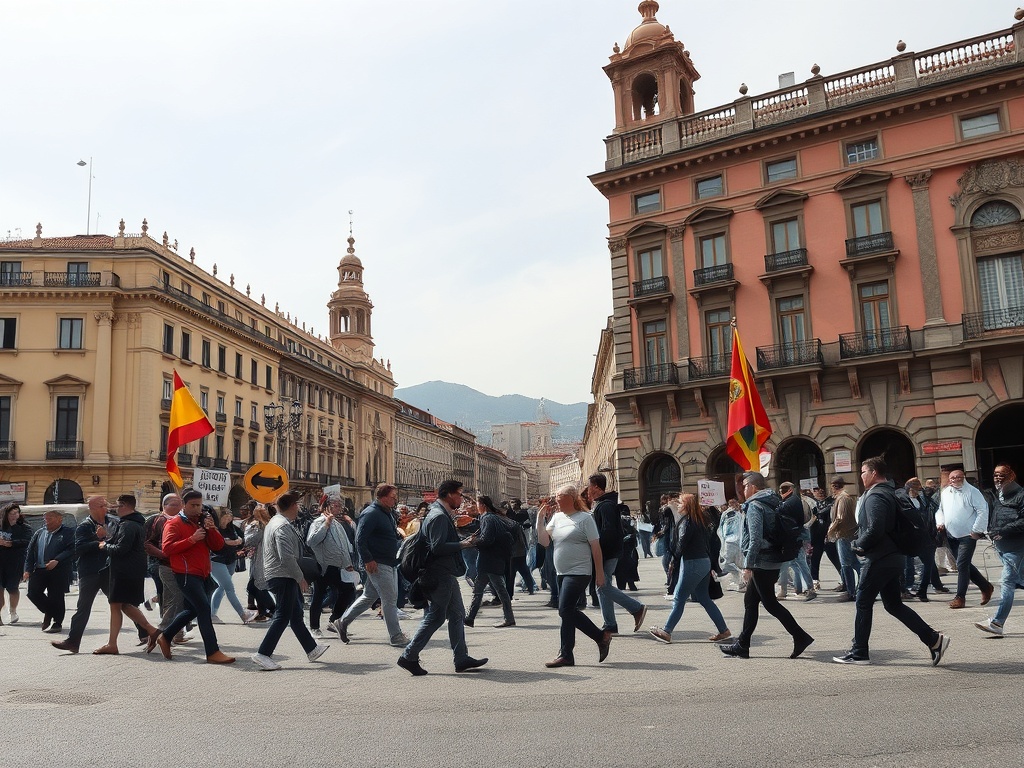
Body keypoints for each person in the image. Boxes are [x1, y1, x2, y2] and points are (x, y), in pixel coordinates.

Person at [833, 457, 950, 666]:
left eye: (863, 471)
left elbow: (876, 528)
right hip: (893, 557)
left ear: (874, 473)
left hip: (880, 557)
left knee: (862, 602)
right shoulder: (890, 492)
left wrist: (857, 544)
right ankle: (933, 639)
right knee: (893, 605)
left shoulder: (876, 495)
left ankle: (859, 652)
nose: (861, 476)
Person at [719, 472, 813, 660]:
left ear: (753, 487)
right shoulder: (772, 500)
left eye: (744, 486)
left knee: (770, 604)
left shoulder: (755, 505)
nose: (742, 489)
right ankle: (742, 646)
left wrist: (748, 566)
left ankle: (800, 636)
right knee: (751, 602)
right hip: (772, 558)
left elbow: (755, 539)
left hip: (762, 561)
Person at [398, 480, 487, 676]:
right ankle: (409, 656)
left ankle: (461, 658)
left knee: (456, 614)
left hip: (444, 572)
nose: (461, 499)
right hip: (438, 573)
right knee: (436, 617)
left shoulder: (440, 514)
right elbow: (437, 547)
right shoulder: (438, 516)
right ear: (448, 495)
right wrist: (463, 544)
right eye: (459, 494)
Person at [148, 490, 234, 664]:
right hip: (185, 573)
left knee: (192, 610)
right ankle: (212, 651)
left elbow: (218, 546)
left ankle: (165, 636)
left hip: (202, 573)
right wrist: (192, 539)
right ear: (184, 505)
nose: (197, 509)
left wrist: (211, 529)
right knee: (203, 609)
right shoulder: (174, 523)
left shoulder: (202, 522)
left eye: (199, 505)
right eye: (193, 505)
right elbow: (167, 549)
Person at [251, 492, 329, 670]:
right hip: (283, 574)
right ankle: (263, 653)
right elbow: (286, 556)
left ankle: (312, 649)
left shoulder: (278, 522)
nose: (300, 509)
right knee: (283, 616)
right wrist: (299, 577)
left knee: (295, 615)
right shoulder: (282, 526)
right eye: (298, 505)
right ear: (293, 506)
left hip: (281, 574)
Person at [535, 484, 609, 668]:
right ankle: (567, 654)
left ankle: (599, 637)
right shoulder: (558, 517)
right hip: (561, 572)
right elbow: (544, 541)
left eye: (559, 496)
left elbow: (596, 547)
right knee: (567, 613)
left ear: (570, 497)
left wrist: (600, 573)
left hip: (580, 571)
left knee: (565, 610)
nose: (556, 499)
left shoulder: (585, 518)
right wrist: (540, 519)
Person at [649, 493, 731, 644]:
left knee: (679, 598)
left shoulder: (688, 522)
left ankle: (667, 631)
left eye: (680, 503)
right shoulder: (700, 520)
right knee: (704, 598)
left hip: (692, 563)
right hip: (703, 562)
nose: (678, 505)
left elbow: (682, 543)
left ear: (686, 506)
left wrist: (673, 560)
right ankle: (723, 630)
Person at [335, 484, 407, 647]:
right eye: (392, 496)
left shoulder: (386, 513)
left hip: (388, 561)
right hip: (377, 563)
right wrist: (368, 559)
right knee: (389, 599)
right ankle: (395, 636)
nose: (395, 499)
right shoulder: (371, 513)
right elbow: (360, 539)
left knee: (369, 596)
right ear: (382, 497)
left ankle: (343, 622)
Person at [93, 494, 160, 654]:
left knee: (117, 605)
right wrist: (109, 539)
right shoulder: (136, 522)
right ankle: (147, 632)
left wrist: (104, 545)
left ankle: (150, 631)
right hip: (131, 570)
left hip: (124, 571)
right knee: (121, 605)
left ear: (124, 506)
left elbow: (121, 549)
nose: (114, 510)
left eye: (116, 506)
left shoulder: (128, 524)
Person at [51, 496, 117, 652]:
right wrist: (98, 540)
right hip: (90, 572)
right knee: (83, 608)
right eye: (102, 505)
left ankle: (146, 633)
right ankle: (73, 642)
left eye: (106, 505)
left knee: (123, 603)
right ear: (92, 508)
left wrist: (107, 538)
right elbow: (78, 548)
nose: (105, 508)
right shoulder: (84, 526)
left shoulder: (113, 522)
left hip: (108, 570)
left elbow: (119, 541)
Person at [588, 473, 647, 635]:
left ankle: (636, 608)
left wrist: (599, 551)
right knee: (601, 586)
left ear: (596, 488)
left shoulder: (605, 506)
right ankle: (610, 624)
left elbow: (608, 532)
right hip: (610, 551)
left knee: (602, 585)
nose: (588, 491)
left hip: (608, 552)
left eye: (589, 487)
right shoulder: (604, 504)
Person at [975, 464, 1024, 636]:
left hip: (1017, 548)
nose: (997, 477)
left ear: (1011, 475)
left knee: (1007, 582)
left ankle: (997, 623)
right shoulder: (998, 495)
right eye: (995, 474)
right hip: (1002, 547)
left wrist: (1002, 530)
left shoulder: (1021, 495)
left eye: (1002, 475)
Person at [936, 468, 993, 609]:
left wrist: (977, 530)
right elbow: (940, 510)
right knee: (964, 564)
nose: (955, 479)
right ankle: (986, 587)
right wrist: (940, 522)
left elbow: (983, 510)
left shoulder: (972, 492)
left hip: (968, 535)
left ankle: (960, 597)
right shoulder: (945, 493)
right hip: (951, 535)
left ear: (964, 477)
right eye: (952, 478)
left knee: (961, 565)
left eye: (958, 477)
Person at [306, 496, 358, 639]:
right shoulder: (319, 522)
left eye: (340, 506)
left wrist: (348, 563)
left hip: (337, 566)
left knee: (348, 591)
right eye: (335, 506)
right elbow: (312, 541)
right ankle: (314, 627)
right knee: (318, 595)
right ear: (327, 506)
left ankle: (334, 620)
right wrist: (326, 524)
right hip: (323, 565)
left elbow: (345, 546)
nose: (339, 509)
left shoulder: (337, 523)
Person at [464, 496, 515, 628]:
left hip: (488, 560)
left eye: (477, 504)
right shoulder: (492, 517)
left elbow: (487, 540)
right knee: (490, 590)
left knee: (490, 590)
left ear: (483, 506)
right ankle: (470, 618)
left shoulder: (488, 518)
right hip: (494, 559)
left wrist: (473, 542)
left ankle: (508, 618)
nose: (476, 507)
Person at [145, 494, 189, 642]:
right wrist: (165, 554)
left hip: (182, 566)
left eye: (180, 504)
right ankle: (162, 632)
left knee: (172, 599)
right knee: (174, 598)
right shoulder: (157, 520)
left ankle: (176, 633)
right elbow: (148, 544)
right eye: (175, 504)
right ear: (165, 506)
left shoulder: (184, 520)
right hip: (162, 565)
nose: (179, 507)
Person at [23, 509, 76, 634]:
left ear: (59, 519)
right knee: (33, 593)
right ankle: (49, 612)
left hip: (59, 570)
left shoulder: (68, 532)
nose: (46, 521)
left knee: (56, 596)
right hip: (40, 569)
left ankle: (57, 623)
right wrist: (27, 569)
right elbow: (30, 552)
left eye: (50, 518)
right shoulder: (39, 533)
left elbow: (72, 549)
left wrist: (57, 560)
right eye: (45, 518)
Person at [897, 477, 942, 601]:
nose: (918, 491)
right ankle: (904, 589)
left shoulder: (922, 500)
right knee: (907, 565)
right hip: (910, 537)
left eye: (919, 488)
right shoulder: (902, 499)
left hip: (926, 536)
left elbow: (932, 513)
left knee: (927, 564)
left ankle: (921, 590)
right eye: (916, 488)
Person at [210, 509, 257, 625]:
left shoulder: (232, 528)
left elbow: (242, 539)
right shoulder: (215, 529)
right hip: (216, 560)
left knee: (222, 588)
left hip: (230, 560)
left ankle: (212, 614)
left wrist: (236, 541)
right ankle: (243, 614)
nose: (227, 520)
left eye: (229, 518)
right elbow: (220, 542)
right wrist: (232, 542)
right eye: (225, 517)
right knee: (229, 588)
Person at [775, 482, 816, 601]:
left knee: (799, 563)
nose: (781, 491)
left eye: (784, 489)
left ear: (791, 489)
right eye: (781, 489)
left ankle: (808, 588)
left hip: (795, 538)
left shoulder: (792, 501)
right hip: (793, 537)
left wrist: (780, 500)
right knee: (794, 564)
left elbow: (779, 510)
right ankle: (796, 588)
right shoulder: (792, 500)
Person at [826, 477, 860, 602]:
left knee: (846, 564)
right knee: (854, 563)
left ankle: (851, 592)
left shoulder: (843, 498)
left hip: (844, 534)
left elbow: (840, 518)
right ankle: (860, 589)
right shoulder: (845, 497)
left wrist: (830, 532)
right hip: (847, 533)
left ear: (834, 487)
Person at [0, 503, 31, 624]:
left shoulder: (24, 527)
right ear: (6, 514)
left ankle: (12, 611)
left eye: (16, 513)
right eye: (12, 513)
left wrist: (11, 543)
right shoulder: (1, 525)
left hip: (15, 562)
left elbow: (28, 541)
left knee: (12, 588)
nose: (14, 516)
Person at [244, 503, 275, 621]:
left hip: (268, 560)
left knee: (259, 586)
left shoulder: (272, 525)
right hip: (258, 561)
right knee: (256, 586)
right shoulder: (255, 526)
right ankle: (268, 610)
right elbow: (248, 541)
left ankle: (265, 611)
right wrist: (261, 529)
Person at [717, 499, 745, 591]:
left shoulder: (741, 512)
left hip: (739, 542)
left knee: (739, 563)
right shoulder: (726, 514)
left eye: (734, 503)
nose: (732, 505)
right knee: (726, 563)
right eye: (730, 503)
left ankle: (741, 582)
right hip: (729, 541)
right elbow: (721, 527)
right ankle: (741, 577)